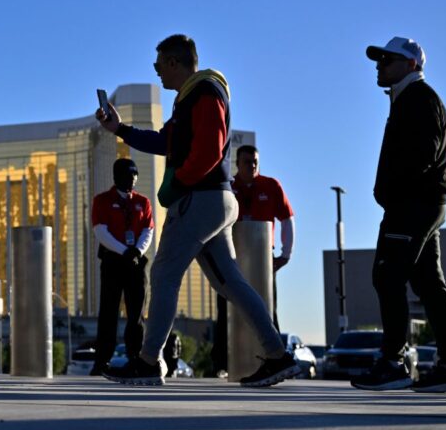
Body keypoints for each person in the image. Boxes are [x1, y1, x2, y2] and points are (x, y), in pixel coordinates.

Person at [95, 34, 298, 387]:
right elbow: (163, 141)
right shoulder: (189, 100)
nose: (157, 71)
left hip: (201, 201)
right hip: (214, 201)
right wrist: (119, 129)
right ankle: (278, 355)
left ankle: (148, 361)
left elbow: (211, 147)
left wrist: (180, 186)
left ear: (175, 63)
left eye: (159, 64)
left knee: (163, 274)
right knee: (230, 283)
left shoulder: (204, 92)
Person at [352, 37, 446, 393]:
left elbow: (423, 153)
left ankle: (394, 362)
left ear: (411, 64)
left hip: (413, 205)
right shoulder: (407, 99)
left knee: (387, 274)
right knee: (429, 282)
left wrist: (395, 192)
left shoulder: (420, 99)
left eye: (387, 60)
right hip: (420, 203)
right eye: (378, 60)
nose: (379, 65)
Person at [212, 145, 295, 376]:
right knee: (225, 308)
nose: (253, 165)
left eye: (256, 161)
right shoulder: (227, 186)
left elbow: (287, 218)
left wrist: (286, 254)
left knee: (268, 306)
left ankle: (275, 358)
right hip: (230, 256)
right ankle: (221, 363)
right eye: (247, 161)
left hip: (262, 257)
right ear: (238, 163)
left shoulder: (271, 185)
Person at [90, 158, 154, 375]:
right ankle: (102, 361)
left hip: (136, 262)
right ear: (116, 176)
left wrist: (137, 250)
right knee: (108, 312)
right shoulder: (102, 200)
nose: (133, 178)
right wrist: (123, 250)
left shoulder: (143, 202)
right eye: (128, 174)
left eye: (135, 174)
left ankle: (135, 357)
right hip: (113, 261)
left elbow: (148, 229)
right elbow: (100, 231)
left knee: (137, 313)